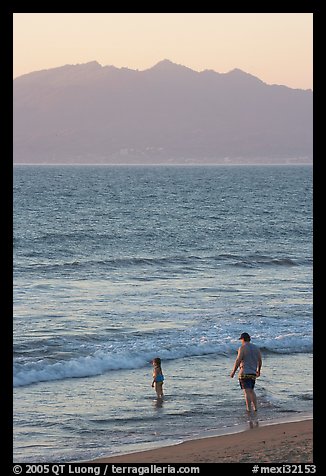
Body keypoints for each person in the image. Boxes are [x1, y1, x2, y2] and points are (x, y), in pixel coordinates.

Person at [230, 332, 262, 412]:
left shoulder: (242, 348)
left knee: (246, 391)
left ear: (243, 339)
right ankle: (255, 408)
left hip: (244, 372)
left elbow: (238, 360)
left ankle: (248, 409)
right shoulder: (256, 348)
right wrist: (259, 370)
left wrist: (233, 371)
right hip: (253, 373)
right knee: (251, 390)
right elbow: (260, 360)